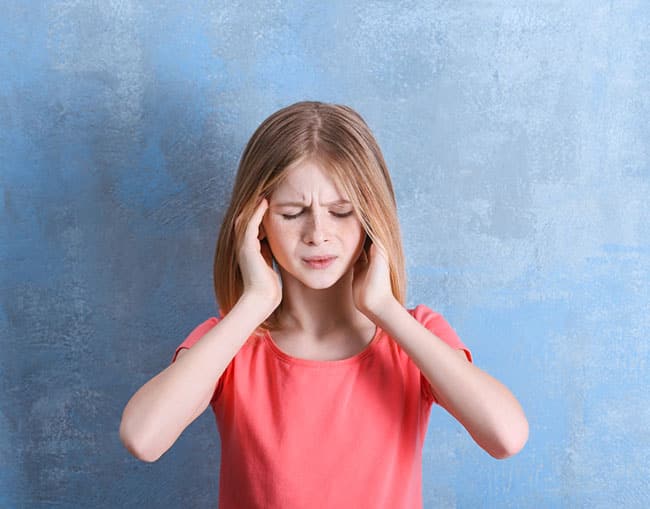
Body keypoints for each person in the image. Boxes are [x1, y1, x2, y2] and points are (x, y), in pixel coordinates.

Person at [119, 100, 529, 508]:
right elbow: (143, 438)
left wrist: (384, 309)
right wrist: (254, 303)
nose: (318, 233)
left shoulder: (415, 337)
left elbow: (506, 436)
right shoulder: (231, 344)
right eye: (293, 213)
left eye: (341, 212)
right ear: (256, 225)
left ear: (372, 219)